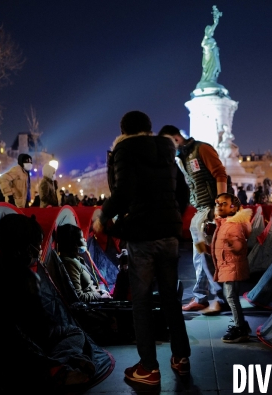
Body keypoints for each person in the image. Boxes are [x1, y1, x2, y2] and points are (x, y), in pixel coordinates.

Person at [93, 111, 191, 385]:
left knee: (142, 300)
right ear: (149, 129)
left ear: (124, 130)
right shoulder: (167, 148)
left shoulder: (125, 148)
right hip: (169, 234)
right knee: (171, 298)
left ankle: (148, 367)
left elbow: (123, 192)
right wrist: (172, 217)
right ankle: (181, 357)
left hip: (142, 235)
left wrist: (104, 215)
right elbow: (183, 192)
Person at [0, 214, 97, 390]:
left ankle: (61, 361)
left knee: (74, 332)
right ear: (25, 245)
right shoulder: (23, 276)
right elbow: (23, 331)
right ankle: (55, 369)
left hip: (24, 339)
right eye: (38, 243)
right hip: (20, 346)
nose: (39, 249)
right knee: (74, 334)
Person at [158, 125, 228, 314]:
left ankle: (220, 298)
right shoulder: (183, 158)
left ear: (176, 139)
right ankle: (201, 297)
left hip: (210, 211)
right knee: (200, 257)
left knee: (208, 257)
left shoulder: (202, 149)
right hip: (200, 212)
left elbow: (220, 175)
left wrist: (220, 208)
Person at [211, 193, 253, 343]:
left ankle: (240, 328)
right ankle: (241, 324)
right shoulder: (224, 223)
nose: (219, 206)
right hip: (227, 266)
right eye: (218, 203)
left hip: (232, 267)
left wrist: (233, 244)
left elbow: (240, 245)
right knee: (231, 297)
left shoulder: (233, 226)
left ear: (233, 208)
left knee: (231, 298)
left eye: (224, 204)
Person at [56, 224, 111, 302]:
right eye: (81, 237)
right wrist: (99, 296)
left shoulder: (77, 259)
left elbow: (87, 288)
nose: (85, 239)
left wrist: (99, 291)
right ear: (73, 241)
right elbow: (78, 296)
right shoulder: (70, 263)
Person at [198, 6, 222, 85]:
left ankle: (212, 80)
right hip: (208, 57)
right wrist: (215, 23)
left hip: (213, 56)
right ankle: (209, 80)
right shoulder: (205, 39)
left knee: (214, 68)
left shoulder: (210, 39)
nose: (212, 32)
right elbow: (211, 30)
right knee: (210, 69)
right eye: (210, 31)